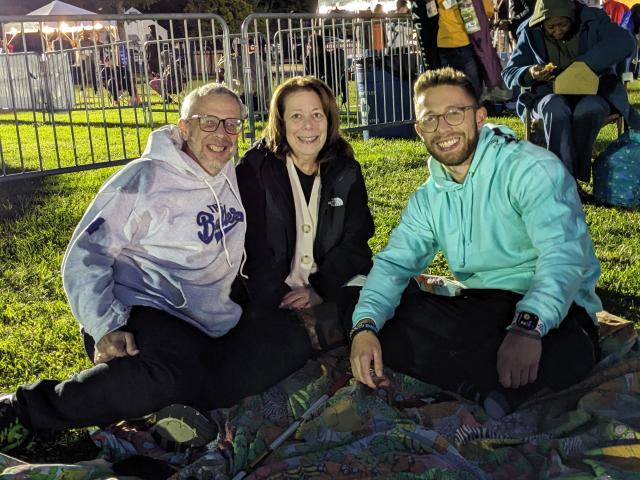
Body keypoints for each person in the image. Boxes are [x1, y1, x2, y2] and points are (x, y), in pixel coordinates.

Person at [0, 84, 314, 453]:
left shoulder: (229, 168)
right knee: (167, 376)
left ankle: (166, 404)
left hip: (213, 316)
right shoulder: (143, 180)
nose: (222, 134)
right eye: (209, 122)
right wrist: (105, 326)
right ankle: (26, 409)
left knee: (289, 343)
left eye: (232, 124)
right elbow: (85, 255)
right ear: (184, 129)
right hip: (147, 312)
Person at [349, 67, 602, 418]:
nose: (444, 129)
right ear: (419, 131)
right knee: (378, 321)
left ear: (479, 116)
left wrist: (528, 328)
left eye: (454, 113)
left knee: (571, 351)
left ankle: (475, 379)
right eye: (431, 120)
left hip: (554, 313)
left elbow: (563, 257)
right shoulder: (428, 197)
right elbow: (394, 265)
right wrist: (364, 327)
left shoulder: (530, 169)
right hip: (482, 307)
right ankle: (488, 386)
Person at [236, 76, 374, 349]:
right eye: (296, 116)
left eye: (316, 115)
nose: (308, 126)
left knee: (398, 296)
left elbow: (356, 243)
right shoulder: (255, 170)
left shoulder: (346, 170)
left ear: (329, 119)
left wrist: (319, 291)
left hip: (330, 288)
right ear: (281, 122)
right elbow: (251, 250)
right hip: (275, 295)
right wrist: (284, 296)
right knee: (275, 339)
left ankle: (326, 327)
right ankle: (316, 332)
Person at [501, 0, 640, 184]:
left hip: (593, 92)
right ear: (541, 22)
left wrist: (582, 66)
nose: (557, 30)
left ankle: (576, 174)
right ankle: (563, 180)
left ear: (572, 18)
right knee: (556, 107)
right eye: (551, 27)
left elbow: (625, 41)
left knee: (590, 108)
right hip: (548, 95)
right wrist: (530, 72)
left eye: (563, 24)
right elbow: (509, 72)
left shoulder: (593, 21)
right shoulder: (530, 31)